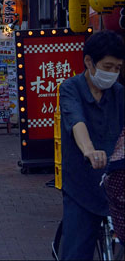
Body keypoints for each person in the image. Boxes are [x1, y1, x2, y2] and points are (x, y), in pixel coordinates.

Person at [59, 30, 125, 261]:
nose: (113, 73)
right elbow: (76, 120)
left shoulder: (119, 93)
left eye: (118, 68)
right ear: (89, 62)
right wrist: (88, 150)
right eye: (108, 66)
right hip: (82, 185)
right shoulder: (70, 88)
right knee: (76, 251)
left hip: (117, 184)